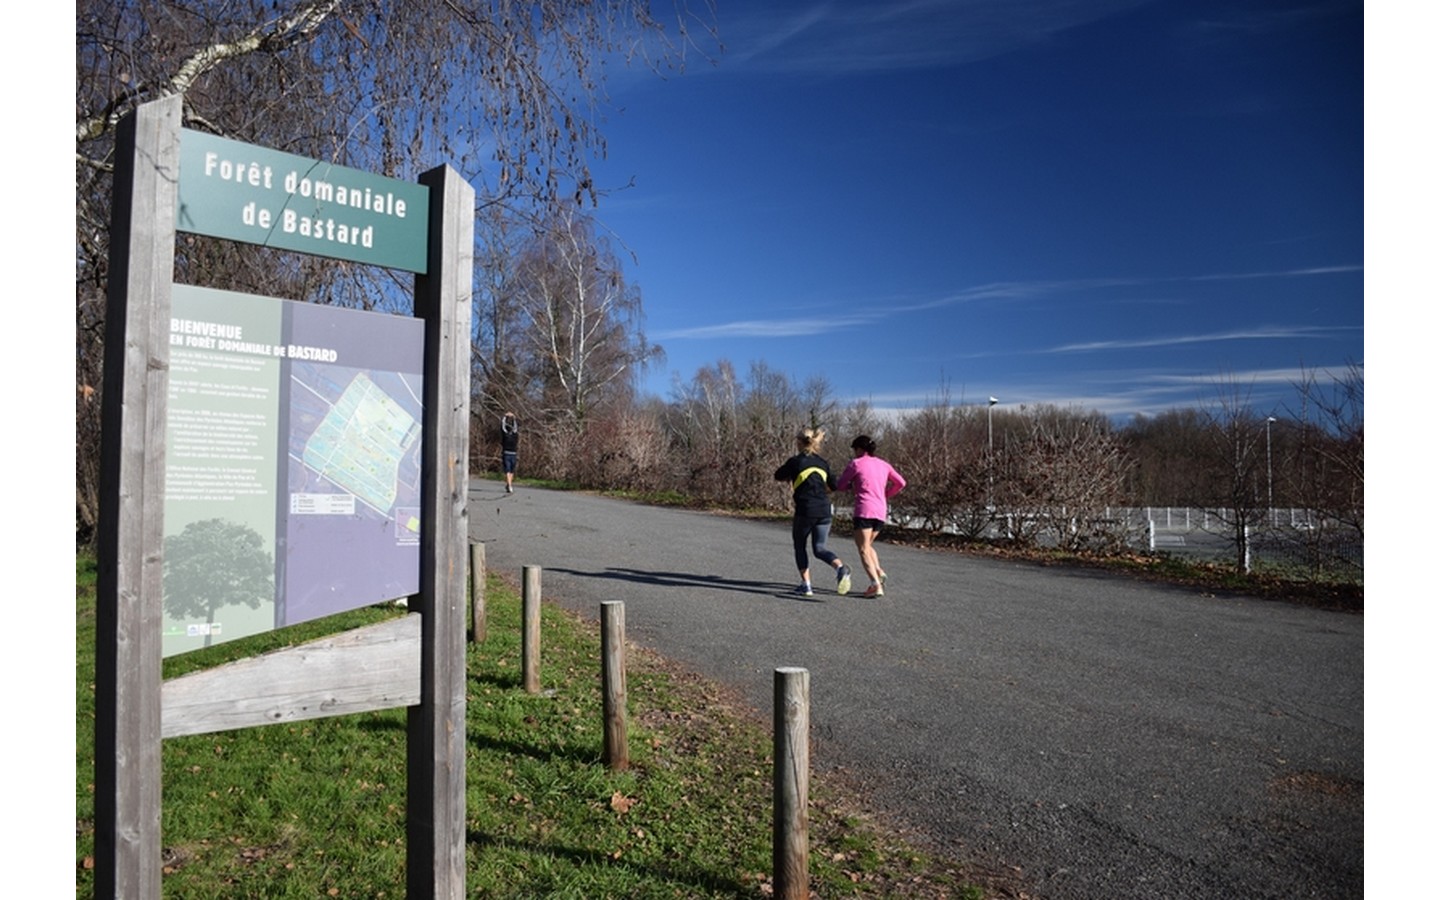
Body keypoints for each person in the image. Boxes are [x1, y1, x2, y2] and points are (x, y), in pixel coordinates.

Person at [773, 427, 852, 597]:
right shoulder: (823, 463)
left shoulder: (795, 461)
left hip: (806, 509)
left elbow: (778, 475)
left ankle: (806, 585)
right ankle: (840, 567)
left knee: (800, 545)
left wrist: (791, 477)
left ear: (799, 442)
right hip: (824, 509)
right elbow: (834, 485)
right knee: (820, 548)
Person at [837, 435, 907, 598]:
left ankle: (875, 584)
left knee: (863, 549)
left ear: (860, 449)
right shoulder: (884, 464)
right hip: (880, 510)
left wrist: (851, 486)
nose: (854, 453)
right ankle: (879, 571)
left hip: (864, 510)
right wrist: (886, 494)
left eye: (855, 449)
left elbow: (840, 485)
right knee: (868, 545)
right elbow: (901, 483)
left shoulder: (856, 463)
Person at [500, 412, 519, 493]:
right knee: (511, 471)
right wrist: (514, 418)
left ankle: (509, 485)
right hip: (513, 454)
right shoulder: (514, 434)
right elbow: (515, 427)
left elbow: (502, 426)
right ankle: (509, 484)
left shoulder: (505, 435)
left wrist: (505, 417)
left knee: (508, 470)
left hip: (507, 454)